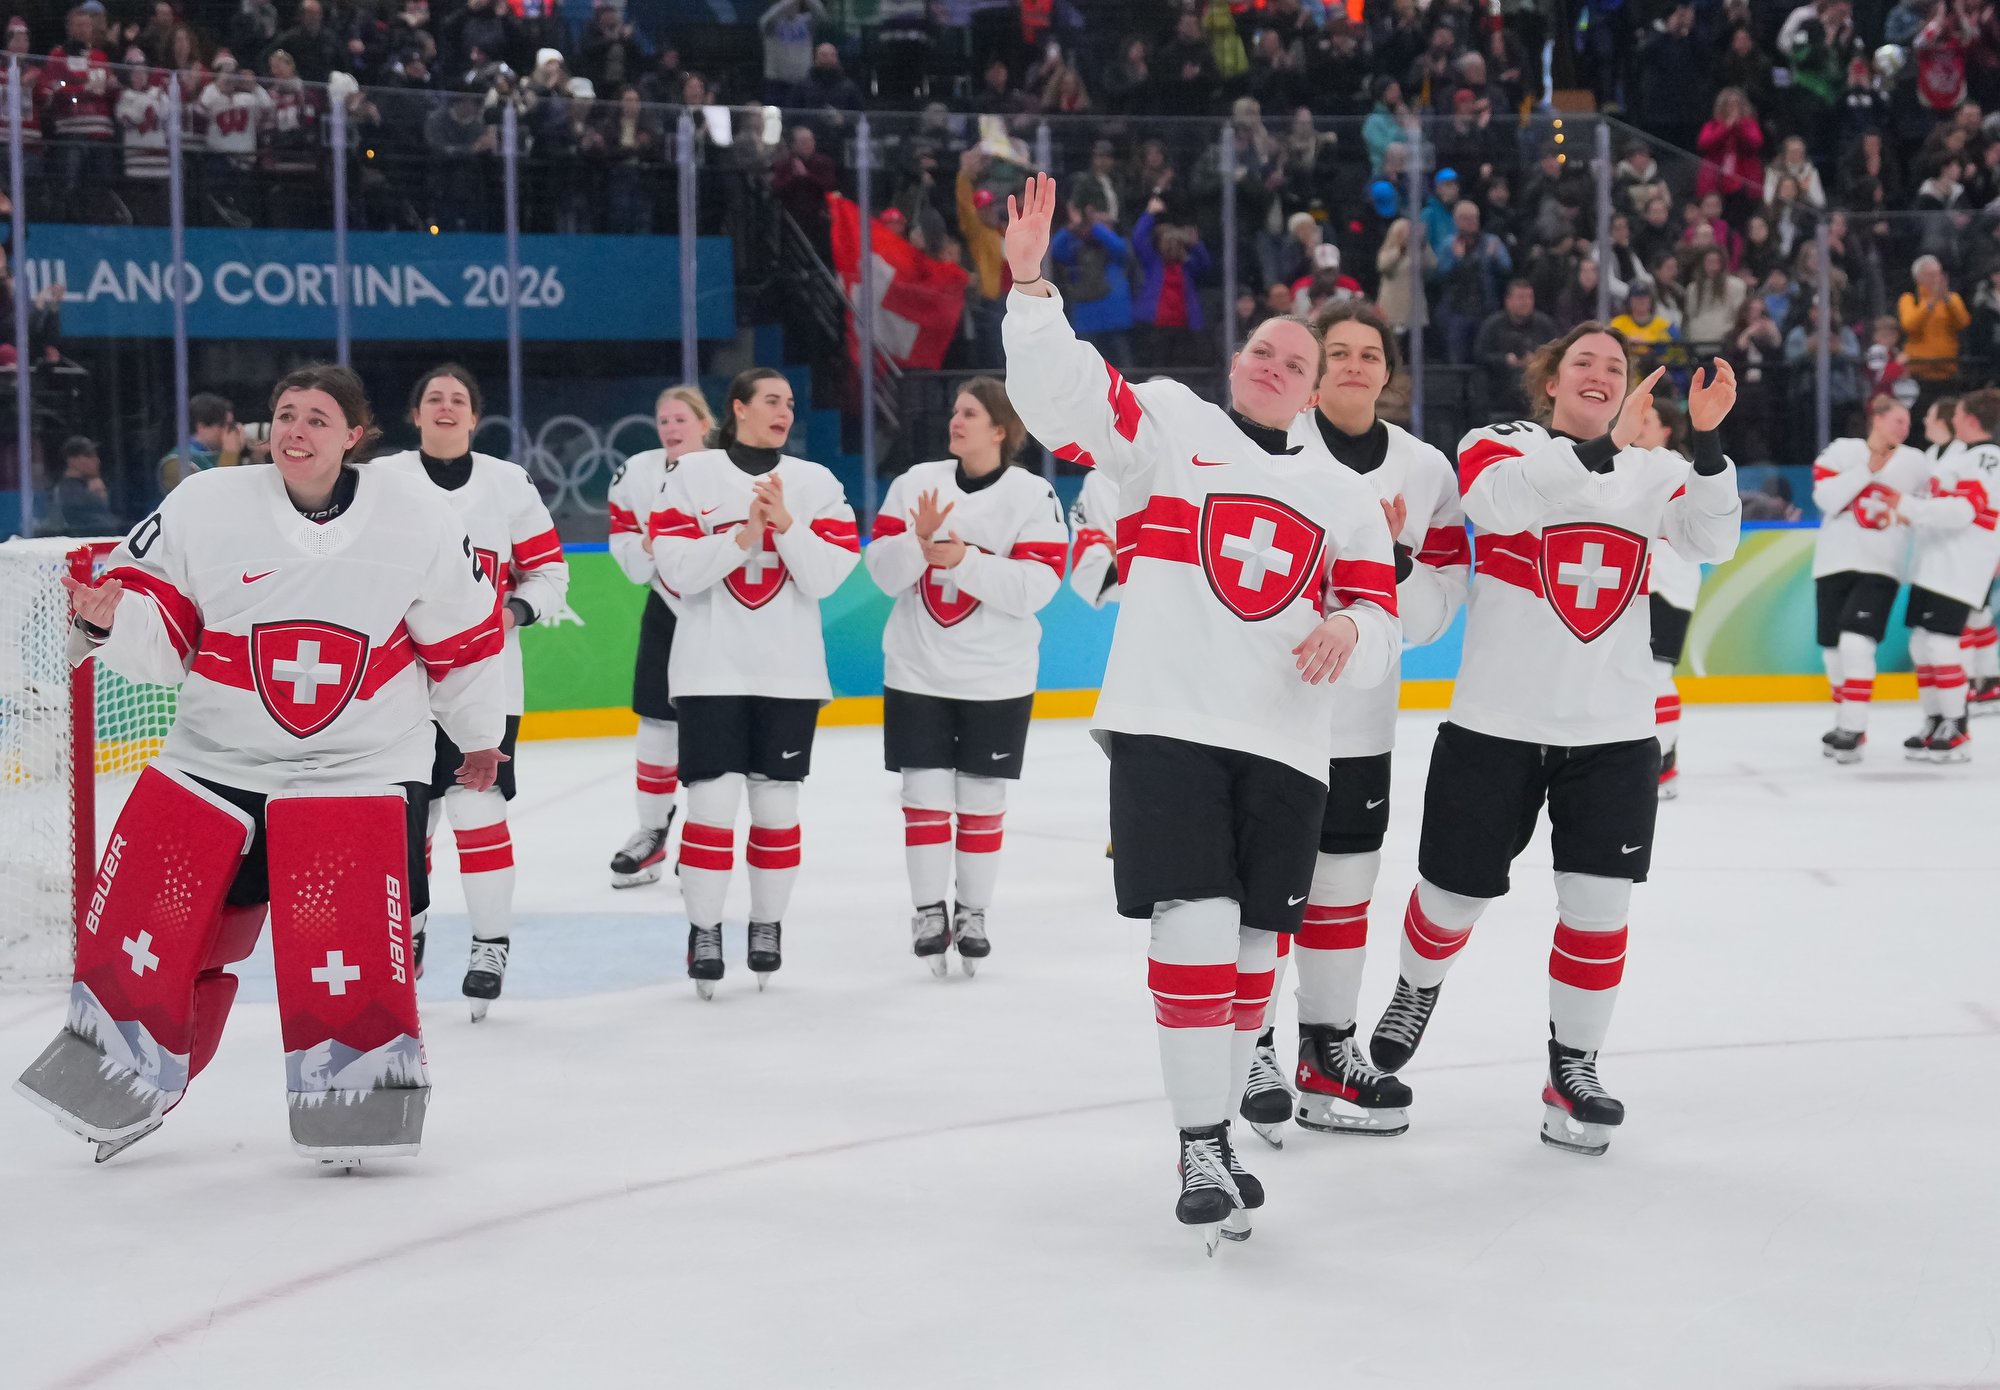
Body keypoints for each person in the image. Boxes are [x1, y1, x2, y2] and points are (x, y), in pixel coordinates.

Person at [1002, 171, 1401, 1249]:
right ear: (1237, 361)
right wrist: (1032, 289)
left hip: (1288, 741)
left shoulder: (1346, 498)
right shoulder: (1171, 426)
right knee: (1196, 922)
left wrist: (1348, 629)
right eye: (1263, 351)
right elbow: (1068, 399)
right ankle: (1196, 1141)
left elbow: (1382, 622)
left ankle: (1215, 1134)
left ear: (1313, 390)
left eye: (1296, 363)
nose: (1275, 366)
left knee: (1256, 946)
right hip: (1169, 722)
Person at [16, 364, 506, 1165]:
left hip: (361, 768)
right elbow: (160, 620)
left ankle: (357, 1092)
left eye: (317, 418)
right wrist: (110, 622)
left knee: (347, 951)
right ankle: (128, 1069)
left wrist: (480, 737)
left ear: (354, 436)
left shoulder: (417, 516)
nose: (295, 431)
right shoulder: (205, 504)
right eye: (285, 414)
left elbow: (466, 638)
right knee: (179, 936)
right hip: (219, 759)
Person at [1369, 325, 1742, 1159]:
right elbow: (1498, 507)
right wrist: (1604, 450)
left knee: (1599, 910)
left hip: (1614, 733)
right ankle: (1416, 987)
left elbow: (1713, 540)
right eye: (1584, 362)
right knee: (1450, 897)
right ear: (1551, 382)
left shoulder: (1658, 472)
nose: (1601, 373)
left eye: (1616, 366)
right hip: (1496, 724)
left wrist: (1710, 441)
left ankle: (1573, 1066)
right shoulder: (1498, 444)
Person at [1234, 301, 1470, 1148]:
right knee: (1264, 894)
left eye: (1371, 354)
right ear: (1313, 368)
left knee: (1342, 891)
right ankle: (1251, 1047)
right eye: (1338, 352)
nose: (1355, 366)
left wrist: (1392, 568)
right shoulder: (1270, 447)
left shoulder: (1426, 469)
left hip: (1362, 723)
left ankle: (1327, 1050)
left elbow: (1438, 607)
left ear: (1389, 372)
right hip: (1271, 715)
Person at [650, 368, 859, 997]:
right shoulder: (691, 475)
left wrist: (786, 525)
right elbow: (677, 571)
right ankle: (704, 931)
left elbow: (825, 578)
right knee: (712, 806)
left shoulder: (816, 483)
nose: (784, 412)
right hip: (708, 671)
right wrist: (744, 536)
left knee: (776, 809)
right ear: (738, 408)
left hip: (789, 676)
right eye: (771, 400)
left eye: (790, 402)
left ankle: (767, 925)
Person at [375, 365, 569, 1019]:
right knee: (408, 818)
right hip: (399, 686)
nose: (446, 406)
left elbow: (549, 573)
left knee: (476, 811)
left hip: (486, 682)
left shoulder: (507, 483)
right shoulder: (383, 480)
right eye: (434, 397)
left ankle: (490, 945)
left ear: (474, 417)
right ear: (415, 414)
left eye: (458, 398)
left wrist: (512, 613)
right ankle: (410, 930)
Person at [864, 378, 1067, 975]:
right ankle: (929, 912)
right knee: (923, 796)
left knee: (981, 799)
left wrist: (964, 560)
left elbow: (1035, 588)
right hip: (917, 671)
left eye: (970, 413)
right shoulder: (914, 484)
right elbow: (883, 573)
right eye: (956, 411)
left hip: (996, 678)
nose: (956, 420)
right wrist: (917, 541)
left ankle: (973, 914)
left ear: (1000, 430)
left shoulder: (1033, 496)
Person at [606, 386, 716, 888]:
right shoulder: (635, 473)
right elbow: (627, 550)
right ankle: (651, 832)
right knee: (655, 724)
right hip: (666, 612)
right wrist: (650, 546)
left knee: (713, 729)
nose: (671, 428)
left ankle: (702, 837)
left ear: (704, 424)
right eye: (664, 420)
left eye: (681, 419)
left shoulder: (730, 470)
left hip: (719, 616)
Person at [1812, 397, 1931, 763]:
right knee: (1833, 652)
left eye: (1907, 423)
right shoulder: (1842, 451)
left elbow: (1928, 508)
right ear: (1876, 419)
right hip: (1833, 563)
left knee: (1855, 644)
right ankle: (1845, 722)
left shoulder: (1916, 462)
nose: (1904, 429)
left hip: (1881, 566)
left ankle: (1853, 727)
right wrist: (1868, 469)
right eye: (1897, 420)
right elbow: (1825, 498)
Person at [1894, 388, 2000, 760]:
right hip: (1933, 564)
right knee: (1922, 646)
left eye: (1957, 414)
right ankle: (1935, 719)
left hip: (1959, 566)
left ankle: (1957, 724)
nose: (1952, 418)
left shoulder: (1986, 457)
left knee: (1941, 645)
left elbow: (1962, 512)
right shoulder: (1961, 456)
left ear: (1969, 419)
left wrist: (1907, 506)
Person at [1635, 402, 1705, 798]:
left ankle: (1663, 760)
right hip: (1633, 587)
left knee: (1657, 673)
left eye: (1647, 421)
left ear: (1666, 431)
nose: (1637, 427)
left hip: (1667, 586)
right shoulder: (1625, 467)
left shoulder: (1679, 471)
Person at [1474, 278, 1558, 420]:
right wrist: (1504, 360)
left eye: (1529, 297)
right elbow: (1480, 355)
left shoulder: (1544, 325)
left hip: (1536, 391)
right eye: (1520, 297)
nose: (1526, 302)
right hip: (1500, 389)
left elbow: (1557, 352)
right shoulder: (1493, 325)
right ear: (1508, 301)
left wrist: (1538, 360)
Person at [1898, 256, 1971, 383]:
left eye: (1939, 274)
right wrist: (1931, 302)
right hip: (1919, 369)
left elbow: (1963, 323)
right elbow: (1909, 325)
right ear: (1918, 278)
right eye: (1931, 275)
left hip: (1948, 367)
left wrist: (1947, 300)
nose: (1936, 279)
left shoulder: (1953, 298)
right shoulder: (1909, 299)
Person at [159, 393, 246, 493]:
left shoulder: (217, 453)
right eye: (224, 425)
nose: (229, 432)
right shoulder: (176, 461)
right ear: (202, 427)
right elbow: (208, 495)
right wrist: (230, 453)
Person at [44, 436, 121, 537]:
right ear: (72, 460)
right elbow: (101, 526)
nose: (96, 460)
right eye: (89, 455)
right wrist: (99, 496)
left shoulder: (88, 486)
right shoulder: (69, 491)